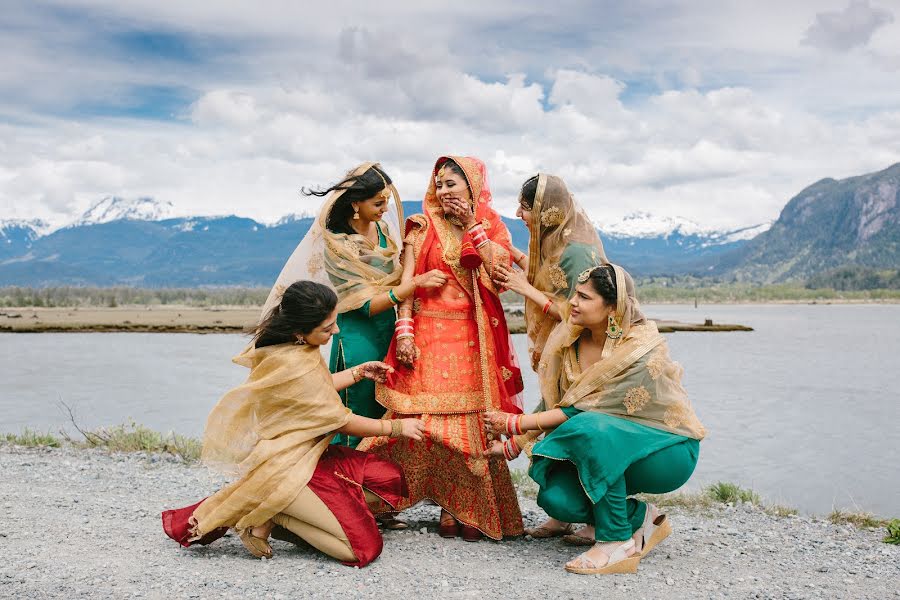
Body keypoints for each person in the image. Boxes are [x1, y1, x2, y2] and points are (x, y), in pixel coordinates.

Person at [161, 281, 426, 566]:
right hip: (288, 467)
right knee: (363, 550)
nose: (335, 331)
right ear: (300, 332)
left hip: (310, 455)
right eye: (327, 328)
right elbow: (339, 421)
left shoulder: (295, 349)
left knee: (389, 481)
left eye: (334, 323)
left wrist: (358, 372)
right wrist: (396, 427)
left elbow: (316, 391)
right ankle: (274, 512)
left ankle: (293, 513)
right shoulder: (293, 363)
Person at [483, 264, 706, 574]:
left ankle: (616, 543)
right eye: (575, 293)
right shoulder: (570, 340)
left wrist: (513, 424)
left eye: (585, 297)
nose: (573, 302)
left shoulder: (638, 351)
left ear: (612, 308)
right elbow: (555, 403)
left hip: (666, 451)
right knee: (557, 498)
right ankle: (640, 517)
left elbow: (583, 412)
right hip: (605, 441)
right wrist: (513, 445)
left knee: (590, 426)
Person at [357, 156, 525, 542]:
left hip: (471, 336)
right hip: (427, 334)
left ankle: (460, 506)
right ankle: (375, 495)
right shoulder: (421, 225)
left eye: (452, 183)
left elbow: (500, 276)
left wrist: (471, 226)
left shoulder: (493, 226)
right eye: (440, 184)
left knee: (469, 423)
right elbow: (408, 281)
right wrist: (403, 332)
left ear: (472, 186)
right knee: (418, 417)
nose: (444, 191)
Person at [261, 163, 446, 449]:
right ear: (356, 203)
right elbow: (365, 305)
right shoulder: (339, 245)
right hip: (358, 336)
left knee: (391, 401)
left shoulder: (383, 229)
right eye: (377, 203)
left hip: (391, 329)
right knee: (359, 404)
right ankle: (346, 477)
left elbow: (400, 271)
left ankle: (382, 478)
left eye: (386, 201)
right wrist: (413, 284)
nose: (385, 209)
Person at [493, 173, 607, 371]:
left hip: (579, 355)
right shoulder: (556, 243)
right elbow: (551, 278)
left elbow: (574, 314)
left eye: (526, 207)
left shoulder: (576, 253)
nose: (518, 213)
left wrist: (525, 288)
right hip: (562, 348)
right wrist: (509, 250)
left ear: (544, 211)